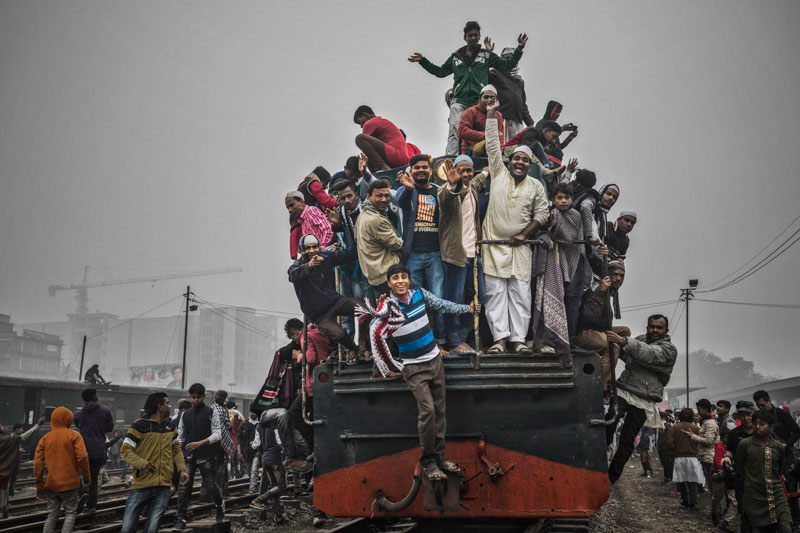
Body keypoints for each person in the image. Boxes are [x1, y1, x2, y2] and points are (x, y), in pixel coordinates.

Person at [358, 263, 478, 480]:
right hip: (413, 367)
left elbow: (442, 305)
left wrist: (466, 309)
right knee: (428, 412)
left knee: (440, 411)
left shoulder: (420, 294)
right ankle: (428, 461)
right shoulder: (388, 307)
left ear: (409, 279)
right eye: (395, 278)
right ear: (389, 283)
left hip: (435, 361)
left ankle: (440, 457)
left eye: (404, 276)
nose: (401, 281)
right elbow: (377, 333)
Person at [479, 98, 549, 354]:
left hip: (520, 248)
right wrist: (491, 114)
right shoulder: (498, 173)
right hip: (493, 246)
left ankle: (518, 341)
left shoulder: (536, 186)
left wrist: (523, 235)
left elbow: (542, 214)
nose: (519, 163)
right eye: (516, 159)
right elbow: (492, 144)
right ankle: (499, 341)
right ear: (510, 162)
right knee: (495, 296)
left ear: (529, 166)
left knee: (521, 295)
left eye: (525, 161)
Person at [409, 21, 526, 155]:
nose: (473, 38)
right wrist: (423, 61)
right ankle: (451, 157)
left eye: (476, 35)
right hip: (459, 100)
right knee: (455, 129)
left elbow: (507, 65)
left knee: (482, 131)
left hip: (479, 102)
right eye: (470, 35)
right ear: (465, 37)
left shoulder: (486, 55)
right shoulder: (456, 56)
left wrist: (520, 48)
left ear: (479, 36)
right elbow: (440, 72)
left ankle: (483, 157)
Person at [604, 314, 678, 484]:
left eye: (659, 327)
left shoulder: (669, 350)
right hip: (625, 389)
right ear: (647, 327)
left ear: (666, 330)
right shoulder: (640, 339)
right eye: (652, 326)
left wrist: (624, 342)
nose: (655, 330)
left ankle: (610, 478)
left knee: (627, 439)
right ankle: (598, 458)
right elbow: (627, 354)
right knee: (610, 419)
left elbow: (649, 354)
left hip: (644, 398)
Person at [289, 232, 370, 362]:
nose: (312, 251)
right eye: (308, 248)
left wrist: (366, 243)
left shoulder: (326, 257)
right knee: (340, 334)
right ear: (302, 251)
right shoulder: (297, 267)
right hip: (319, 316)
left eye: (315, 247)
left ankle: (362, 343)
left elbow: (346, 255)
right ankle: (354, 349)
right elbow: (292, 275)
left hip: (335, 302)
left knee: (364, 308)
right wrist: (309, 266)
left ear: (319, 247)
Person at [396, 155, 448, 353]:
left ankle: (441, 342)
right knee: (413, 302)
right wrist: (409, 188)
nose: (420, 170)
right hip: (413, 256)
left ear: (430, 170)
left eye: (424, 167)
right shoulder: (407, 190)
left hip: (435, 254)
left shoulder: (438, 191)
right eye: (416, 167)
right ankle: (420, 344)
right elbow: (400, 202)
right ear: (411, 170)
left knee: (439, 300)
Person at [530, 182, 585, 365]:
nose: (563, 201)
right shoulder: (548, 213)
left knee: (558, 299)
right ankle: (541, 341)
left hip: (560, 260)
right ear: (553, 200)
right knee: (541, 298)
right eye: (559, 198)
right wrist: (545, 238)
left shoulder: (575, 215)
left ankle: (556, 341)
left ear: (571, 199)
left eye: (566, 198)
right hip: (544, 258)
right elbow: (539, 230)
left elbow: (568, 237)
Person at [120, 392, 188, 533]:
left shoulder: (170, 427)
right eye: (167, 403)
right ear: (160, 406)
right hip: (141, 484)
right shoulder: (139, 426)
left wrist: (182, 469)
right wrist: (141, 463)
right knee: (127, 527)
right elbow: (125, 450)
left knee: (152, 528)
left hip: (163, 485)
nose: (170, 406)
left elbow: (176, 450)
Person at [438, 155, 485, 355]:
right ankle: (454, 340)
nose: (465, 174)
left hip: (475, 254)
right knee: (454, 300)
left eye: (469, 170)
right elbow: (446, 199)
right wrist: (452, 185)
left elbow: (480, 178)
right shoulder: (447, 190)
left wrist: (486, 171)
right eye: (461, 170)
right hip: (456, 254)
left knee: (480, 297)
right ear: (454, 171)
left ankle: (464, 337)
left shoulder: (472, 187)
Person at [252, 318, 310, 475]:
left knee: (300, 441)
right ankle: (292, 459)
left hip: (287, 412)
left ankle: (307, 473)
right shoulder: (284, 355)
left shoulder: (304, 350)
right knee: (285, 416)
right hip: (273, 412)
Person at [326, 179, 373, 356]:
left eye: (349, 196)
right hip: (346, 268)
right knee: (345, 308)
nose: (346, 201)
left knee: (364, 306)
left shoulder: (366, 210)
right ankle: (349, 349)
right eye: (342, 198)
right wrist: (336, 225)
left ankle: (364, 343)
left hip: (365, 267)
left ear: (356, 195)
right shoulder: (338, 214)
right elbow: (334, 240)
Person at [175, 383, 225, 530]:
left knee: (211, 486)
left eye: (198, 397)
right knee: (184, 488)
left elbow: (217, 434)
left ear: (203, 397)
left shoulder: (211, 412)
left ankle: (219, 504)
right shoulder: (185, 415)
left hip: (206, 455)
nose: (195, 400)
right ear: (190, 397)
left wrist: (201, 443)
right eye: (193, 397)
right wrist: (177, 452)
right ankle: (181, 518)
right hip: (189, 457)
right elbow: (181, 436)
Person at [576, 261, 630, 394]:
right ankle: (601, 386)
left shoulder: (610, 291)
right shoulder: (597, 289)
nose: (618, 279)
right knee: (613, 347)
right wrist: (601, 290)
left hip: (598, 329)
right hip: (585, 332)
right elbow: (589, 316)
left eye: (621, 276)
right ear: (607, 276)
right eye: (615, 275)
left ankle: (612, 366)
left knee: (625, 331)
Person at [736, 410, 793, 532]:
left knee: (786, 527)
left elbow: (778, 468)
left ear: (771, 427)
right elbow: (740, 469)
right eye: (755, 423)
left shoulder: (778, 447)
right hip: (754, 496)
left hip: (776, 494)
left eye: (762, 424)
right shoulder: (744, 445)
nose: (757, 427)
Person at [34, 408, 89, 533]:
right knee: (70, 513)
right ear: (69, 420)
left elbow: (37, 464)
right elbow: (83, 457)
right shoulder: (74, 435)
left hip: (51, 484)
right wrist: (86, 478)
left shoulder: (45, 438)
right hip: (70, 484)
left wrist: (39, 487)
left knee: (52, 515)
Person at [354, 180, 404, 302]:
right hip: (388, 274)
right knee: (404, 308)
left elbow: (356, 238)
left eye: (386, 195)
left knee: (387, 311)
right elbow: (397, 245)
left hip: (374, 277)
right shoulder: (377, 220)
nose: (384, 199)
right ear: (368, 196)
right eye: (379, 196)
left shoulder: (362, 216)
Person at [73, 388, 114, 514]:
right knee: (94, 479)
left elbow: (77, 425)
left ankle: (82, 492)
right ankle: (91, 506)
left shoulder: (78, 414)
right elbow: (110, 427)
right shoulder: (105, 410)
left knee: (77, 474)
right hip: (98, 450)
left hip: (81, 449)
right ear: (95, 396)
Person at [0, 417, 42, 519]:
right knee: (3, 493)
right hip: (3, 473)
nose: (2, 426)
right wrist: (37, 425)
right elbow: (23, 437)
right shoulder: (6, 440)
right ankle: (2, 512)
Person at [488, 47, 534, 140]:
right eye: (506, 58)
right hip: (502, 116)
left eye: (512, 58)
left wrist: (530, 122)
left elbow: (523, 103)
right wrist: (489, 53)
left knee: (516, 146)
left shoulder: (519, 80)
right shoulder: (495, 74)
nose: (510, 61)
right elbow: (483, 74)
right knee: (502, 144)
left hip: (517, 120)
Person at [753, 389, 800, 478]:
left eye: (762, 405)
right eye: (758, 406)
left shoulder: (782, 414)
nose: (761, 408)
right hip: (766, 455)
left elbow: (797, 432)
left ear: (769, 401)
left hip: (785, 454)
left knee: (789, 480)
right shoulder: (757, 417)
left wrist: (786, 444)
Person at [668, 408, 705, 510]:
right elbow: (701, 442)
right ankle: (693, 502)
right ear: (692, 417)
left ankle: (684, 500)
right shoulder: (696, 428)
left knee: (681, 479)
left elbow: (670, 443)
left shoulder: (674, 427)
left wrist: (676, 448)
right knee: (692, 480)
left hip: (679, 456)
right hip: (693, 457)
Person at [353, 106, 409, 171]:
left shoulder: (370, 123)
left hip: (395, 156)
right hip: (403, 160)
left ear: (364, 115)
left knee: (360, 138)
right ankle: (376, 173)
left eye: (359, 122)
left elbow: (366, 149)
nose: (361, 126)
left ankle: (381, 167)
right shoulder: (382, 121)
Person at [456, 85, 505, 156]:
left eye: (492, 97)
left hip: (492, 153)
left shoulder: (498, 115)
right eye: (486, 97)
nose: (489, 100)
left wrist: (500, 153)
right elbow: (461, 131)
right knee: (489, 143)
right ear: (480, 98)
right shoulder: (470, 112)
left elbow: (501, 137)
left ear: (496, 100)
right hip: (470, 152)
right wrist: (484, 136)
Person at [286, 191, 333, 260]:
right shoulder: (302, 221)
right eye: (288, 208)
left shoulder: (311, 211)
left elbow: (328, 230)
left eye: (292, 205)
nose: (290, 210)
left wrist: (322, 250)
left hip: (327, 253)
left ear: (302, 201)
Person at [686, 398, 719, 494]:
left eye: (699, 410)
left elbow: (708, 441)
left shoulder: (710, 424)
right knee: (709, 484)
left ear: (704, 409)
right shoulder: (706, 422)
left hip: (709, 457)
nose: (698, 413)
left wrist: (692, 436)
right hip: (705, 457)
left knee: (712, 485)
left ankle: (716, 507)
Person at [535, 100, 578, 168]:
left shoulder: (554, 131)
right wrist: (562, 129)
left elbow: (558, 148)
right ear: (550, 111)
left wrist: (569, 138)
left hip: (557, 162)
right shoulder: (542, 123)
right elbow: (540, 138)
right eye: (556, 111)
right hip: (547, 159)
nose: (558, 115)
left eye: (559, 112)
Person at [238, 409, 258, 488]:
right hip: (246, 452)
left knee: (254, 469)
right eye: (252, 412)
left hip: (257, 451)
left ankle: (253, 487)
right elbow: (239, 439)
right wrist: (239, 452)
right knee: (250, 471)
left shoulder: (260, 424)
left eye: (255, 412)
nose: (253, 414)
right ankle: (255, 485)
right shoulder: (243, 424)